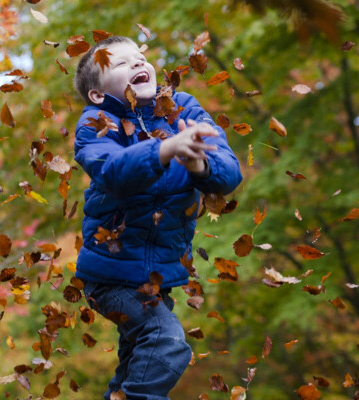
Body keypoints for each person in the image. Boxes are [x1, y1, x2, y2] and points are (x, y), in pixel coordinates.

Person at [73, 36, 242, 399]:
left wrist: (201, 164)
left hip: (156, 280)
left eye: (140, 58)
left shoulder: (183, 110)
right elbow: (115, 171)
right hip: (110, 276)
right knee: (167, 343)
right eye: (121, 64)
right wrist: (164, 150)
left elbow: (229, 174)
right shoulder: (95, 124)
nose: (137, 64)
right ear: (98, 95)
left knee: (137, 364)